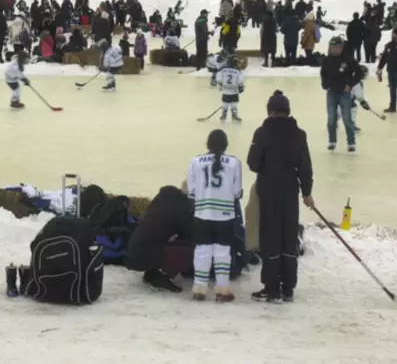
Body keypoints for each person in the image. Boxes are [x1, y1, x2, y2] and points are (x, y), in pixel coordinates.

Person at [247, 90, 314, 303]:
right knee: (288, 237)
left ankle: (271, 287)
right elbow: (305, 166)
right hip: (289, 192)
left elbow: (253, 163)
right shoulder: (299, 134)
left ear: (270, 111)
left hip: (268, 191)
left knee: (270, 239)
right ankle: (288, 288)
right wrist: (307, 192)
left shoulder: (262, 133)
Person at [187, 129, 242, 302]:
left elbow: (192, 192)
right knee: (222, 252)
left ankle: (199, 289)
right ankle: (222, 290)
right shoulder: (234, 163)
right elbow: (237, 192)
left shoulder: (195, 161)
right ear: (226, 145)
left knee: (202, 250)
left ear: (207, 144)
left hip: (202, 213)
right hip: (225, 215)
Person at [125, 186, 194, 293]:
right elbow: (188, 231)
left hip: (133, 252)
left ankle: (152, 273)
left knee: (159, 238)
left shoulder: (158, 201)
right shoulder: (180, 204)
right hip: (149, 253)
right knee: (188, 244)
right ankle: (164, 274)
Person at [320, 36, 363, 152]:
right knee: (331, 118)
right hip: (331, 92)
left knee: (347, 118)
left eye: (336, 47)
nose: (334, 50)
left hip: (345, 93)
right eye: (332, 47)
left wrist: (351, 84)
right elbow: (323, 73)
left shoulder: (348, 59)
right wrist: (324, 83)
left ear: (341, 48)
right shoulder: (327, 60)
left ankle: (351, 142)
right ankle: (332, 141)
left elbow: (359, 72)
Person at [377, 28, 397, 113]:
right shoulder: (389, 45)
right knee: (392, 89)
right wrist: (380, 67)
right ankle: (392, 106)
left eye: (393, 33)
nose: (392, 35)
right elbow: (384, 57)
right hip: (390, 70)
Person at [338, 65, 371, 132]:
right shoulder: (357, 83)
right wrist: (363, 102)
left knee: (350, 108)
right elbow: (359, 96)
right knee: (351, 108)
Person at [215, 55, 245, 122]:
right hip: (234, 91)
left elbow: (218, 79)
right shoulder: (237, 71)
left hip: (225, 91)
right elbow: (240, 80)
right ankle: (234, 115)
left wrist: (220, 85)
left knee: (225, 103)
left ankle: (224, 115)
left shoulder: (222, 69)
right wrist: (241, 87)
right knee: (234, 103)